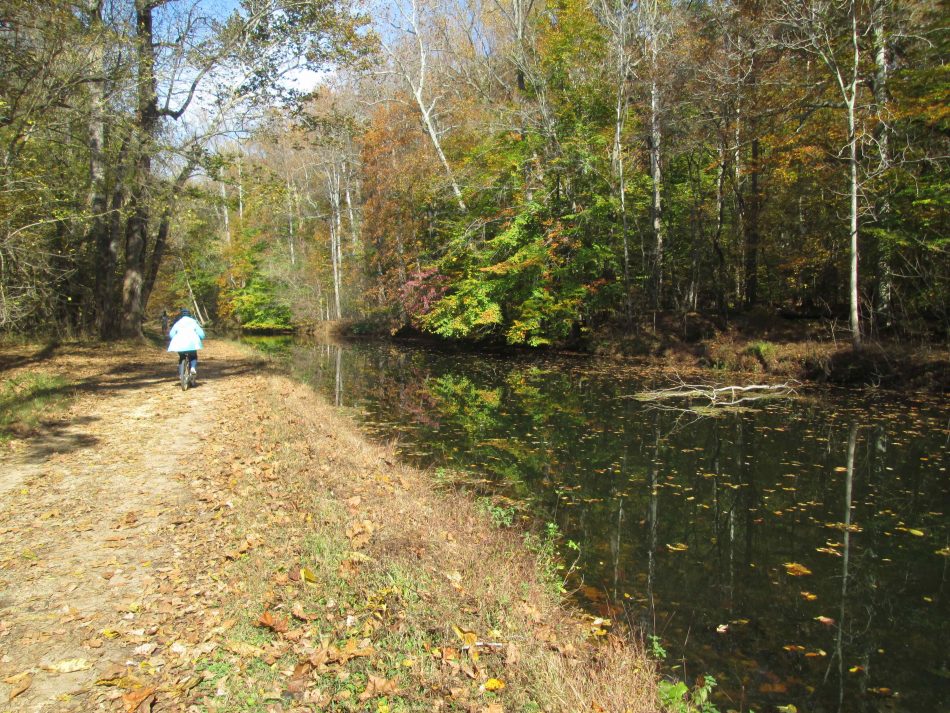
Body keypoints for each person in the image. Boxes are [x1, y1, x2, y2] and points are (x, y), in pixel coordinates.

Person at [167, 308, 205, 385]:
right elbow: (202, 335)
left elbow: (171, 335)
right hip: (192, 342)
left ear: (181, 315)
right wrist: (200, 338)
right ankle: (193, 368)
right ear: (189, 315)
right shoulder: (194, 322)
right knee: (193, 356)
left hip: (179, 343)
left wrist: (174, 338)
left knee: (181, 357)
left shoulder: (177, 323)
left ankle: (181, 374)